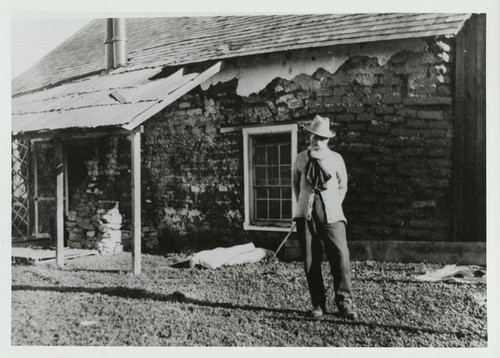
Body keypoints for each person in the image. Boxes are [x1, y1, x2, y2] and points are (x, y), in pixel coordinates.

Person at [292, 114, 356, 320]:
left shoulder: (336, 159)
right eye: (313, 137)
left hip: (332, 215)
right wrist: (304, 204)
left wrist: (332, 204)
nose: (317, 141)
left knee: (340, 258)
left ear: (328, 140)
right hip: (306, 215)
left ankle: (345, 303)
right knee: (311, 261)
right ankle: (318, 304)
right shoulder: (301, 159)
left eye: (321, 138)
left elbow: (342, 186)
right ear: (309, 137)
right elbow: (296, 185)